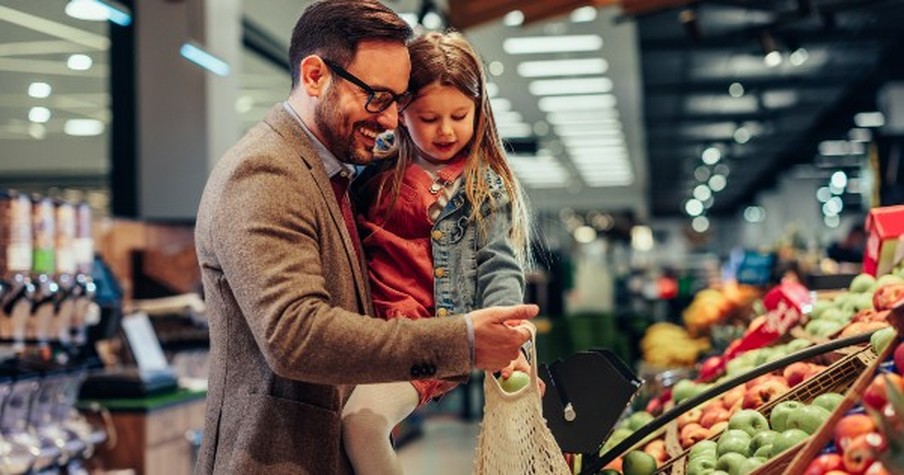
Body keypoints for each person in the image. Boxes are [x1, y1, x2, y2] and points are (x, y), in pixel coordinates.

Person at [193, 1, 537, 473]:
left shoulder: (339, 173)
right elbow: (296, 336)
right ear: (315, 76)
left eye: (397, 101)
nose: (392, 120)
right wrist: (461, 341)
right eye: (377, 97)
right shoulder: (266, 173)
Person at [342, 31, 533, 475]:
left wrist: (508, 339)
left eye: (459, 115)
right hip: (368, 331)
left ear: (479, 111)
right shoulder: (373, 166)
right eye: (428, 117)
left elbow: (499, 266)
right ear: (401, 111)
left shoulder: (484, 186)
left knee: (360, 424)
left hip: (433, 336)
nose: (445, 130)